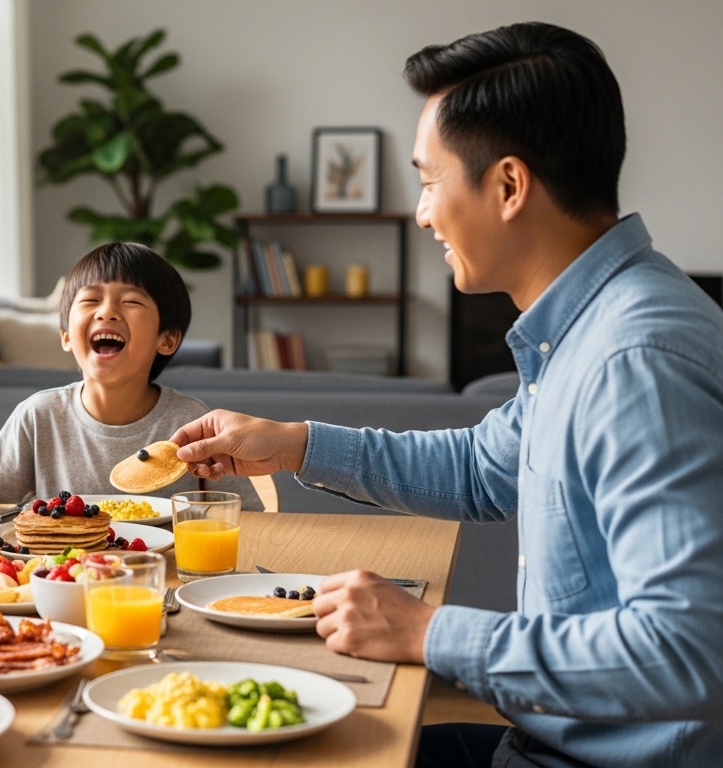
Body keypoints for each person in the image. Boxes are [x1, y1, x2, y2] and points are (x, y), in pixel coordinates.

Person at [172, 22, 723, 768]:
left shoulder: (635, 360)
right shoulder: (592, 329)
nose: (424, 212)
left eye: (430, 181)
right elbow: (481, 470)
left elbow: (687, 651)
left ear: (508, 186)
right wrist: (293, 443)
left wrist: (430, 632)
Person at [0, 242, 261, 510]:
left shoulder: (191, 423)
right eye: (90, 300)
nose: (106, 312)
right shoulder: (38, 417)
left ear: (167, 339)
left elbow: (244, 516)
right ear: (66, 335)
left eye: (131, 301)